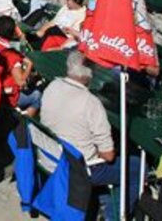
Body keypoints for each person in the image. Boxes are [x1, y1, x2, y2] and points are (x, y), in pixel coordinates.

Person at [41, 50, 141, 219]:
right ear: (90, 73)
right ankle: (113, 215)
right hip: (79, 169)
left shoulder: (52, 86)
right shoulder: (91, 103)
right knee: (138, 167)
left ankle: (102, 201)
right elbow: (108, 156)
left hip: (49, 156)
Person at [0, 15, 40, 116]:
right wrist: (29, 65)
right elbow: (20, 82)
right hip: (4, 95)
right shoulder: (11, 54)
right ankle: (22, 122)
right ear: (13, 33)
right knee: (37, 95)